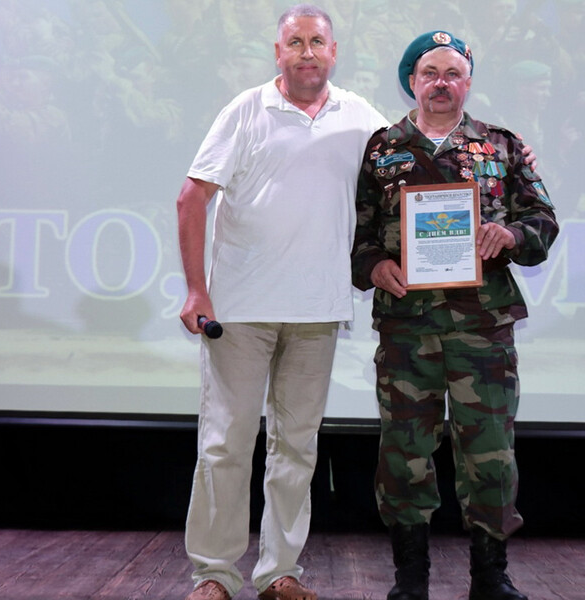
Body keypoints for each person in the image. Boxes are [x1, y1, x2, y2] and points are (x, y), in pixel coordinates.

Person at [175, 5, 389, 600]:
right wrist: (196, 289)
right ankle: (214, 575)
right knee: (225, 444)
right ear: (278, 53)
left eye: (317, 41)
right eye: (295, 42)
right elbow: (191, 198)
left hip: (317, 312)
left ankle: (278, 573)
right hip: (239, 311)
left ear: (334, 51)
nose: (307, 52)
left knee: (296, 448)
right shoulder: (246, 110)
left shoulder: (360, 117)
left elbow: (412, 166)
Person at [351, 30, 559, 600]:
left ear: (467, 83)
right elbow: (359, 234)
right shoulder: (380, 149)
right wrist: (374, 266)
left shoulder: (502, 146)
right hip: (407, 329)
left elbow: (543, 221)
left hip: (482, 329)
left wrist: (510, 234)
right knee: (404, 453)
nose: (441, 83)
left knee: (489, 453)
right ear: (411, 81)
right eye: (430, 73)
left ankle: (491, 577)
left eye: (453, 74)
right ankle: (410, 578)